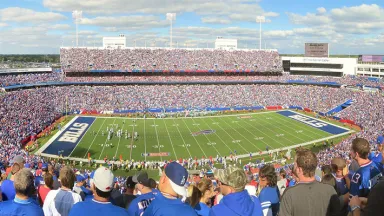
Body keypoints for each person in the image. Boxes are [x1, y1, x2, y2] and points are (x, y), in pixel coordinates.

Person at [279, 148, 340, 216]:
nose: (294, 167)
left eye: (295, 165)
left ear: (299, 170)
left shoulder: (289, 195)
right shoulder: (330, 190)